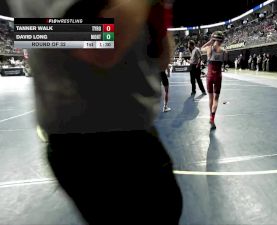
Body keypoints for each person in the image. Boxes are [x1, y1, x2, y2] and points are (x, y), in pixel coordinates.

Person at [6, 0, 182, 224]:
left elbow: (161, 60)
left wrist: (157, 16)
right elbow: (96, 43)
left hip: (124, 134)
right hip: (97, 144)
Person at [201, 31, 227, 129]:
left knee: (211, 98)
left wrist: (210, 41)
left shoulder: (209, 48)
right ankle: (212, 118)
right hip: (218, 76)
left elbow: (200, 48)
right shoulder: (223, 50)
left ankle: (210, 116)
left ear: (214, 39)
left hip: (210, 76)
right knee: (216, 99)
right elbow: (224, 59)